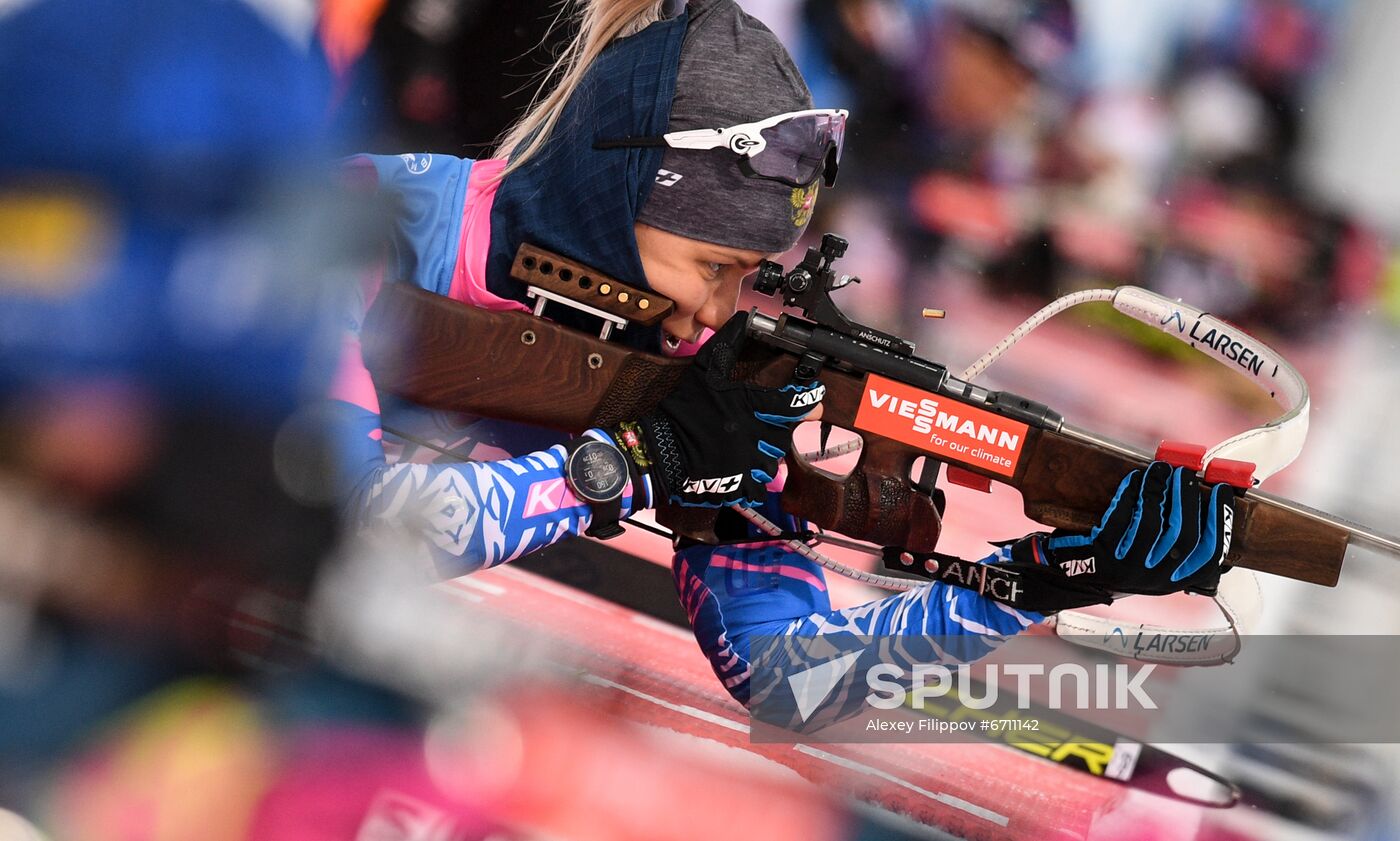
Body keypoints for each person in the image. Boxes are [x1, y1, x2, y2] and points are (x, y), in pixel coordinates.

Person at [333, 0, 1236, 711]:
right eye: (712, 266)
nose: (716, 312)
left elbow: (793, 679)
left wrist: (1032, 583)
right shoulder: (355, 227)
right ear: (613, 193)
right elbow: (347, 522)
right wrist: (639, 463)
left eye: (749, 276)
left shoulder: (682, 374)